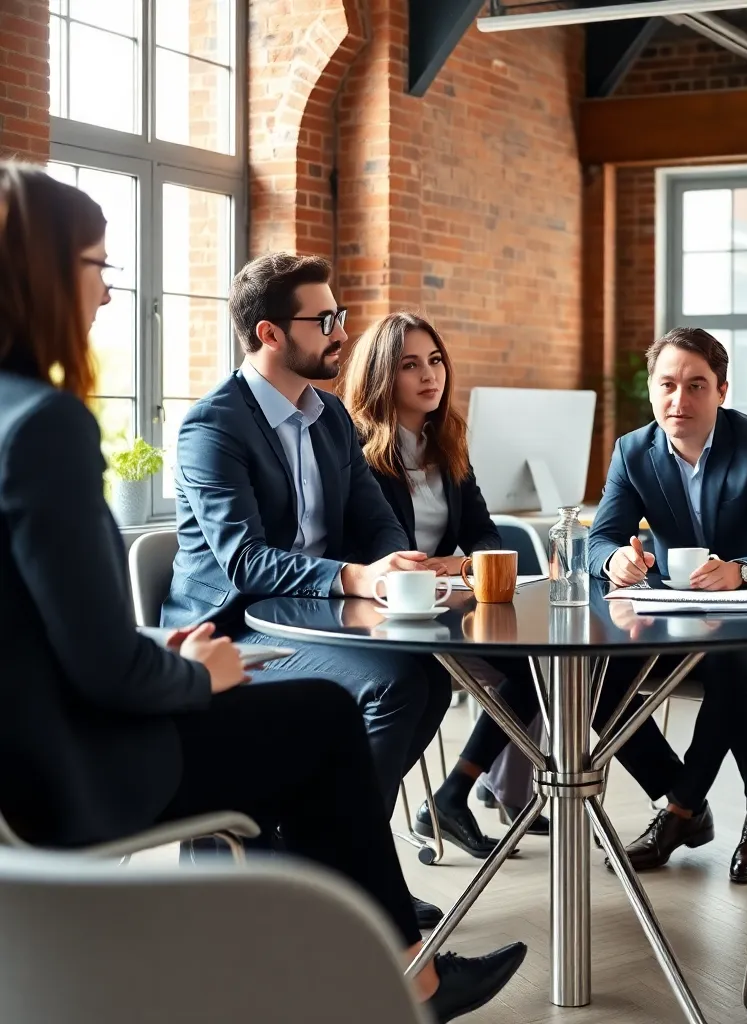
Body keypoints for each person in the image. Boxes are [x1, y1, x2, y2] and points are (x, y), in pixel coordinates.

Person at [0, 162, 526, 1022]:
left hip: (49, 732)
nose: (104, 292)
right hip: (84, 753)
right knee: (327, 715)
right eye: (97, 265)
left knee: (399, 683)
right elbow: (126, 646)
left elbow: (44, 629)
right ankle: (384, 949)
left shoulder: (324, 423)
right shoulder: (88, 424)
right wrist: (190, 673)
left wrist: (393, 569)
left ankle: (355, 914)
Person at [160, 253, 451, 927]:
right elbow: (246, 561)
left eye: (340, 316)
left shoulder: (330, 418)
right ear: (269, 334)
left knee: (432, 677)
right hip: (234, 628)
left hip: (317, 620)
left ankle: (331, 862)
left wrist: (398, 565)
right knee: (396, 684)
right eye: (325, 320)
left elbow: (373, 523)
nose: (341, 332)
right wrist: (355, 578)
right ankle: (341, 877)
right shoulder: (213, 427)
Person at [588, 327, 747, 883]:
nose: (679, 399)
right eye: (667, 384)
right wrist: (613, 560)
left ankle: (707, 813)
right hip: (678, 626)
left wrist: (741, 570)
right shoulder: (632, 451)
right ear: (651, 389)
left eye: (696, 386)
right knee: (592, 678)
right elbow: (599, 539)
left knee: (732, 668)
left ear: (721, 390)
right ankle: (680, 796)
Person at [343, 311, 548, 857]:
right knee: (517, 669)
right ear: (384, 376)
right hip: (385, 616)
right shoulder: (356, 452)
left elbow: (482, 537)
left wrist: (449, 568)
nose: (429, 375)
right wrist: (443, 569)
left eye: (435, 361)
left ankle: (454, 793)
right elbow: (374, 555)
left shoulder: (448, 445)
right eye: (410, 365)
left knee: (540, 665)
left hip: (439, 605)